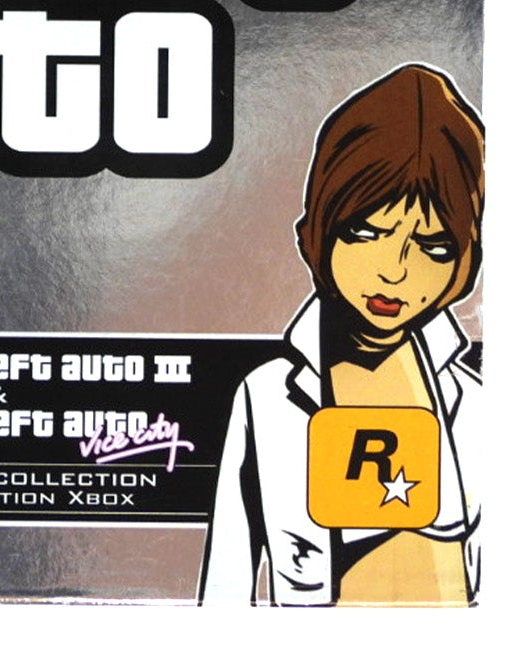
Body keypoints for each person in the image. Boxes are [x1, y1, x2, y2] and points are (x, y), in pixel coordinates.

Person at [201, 63, 483, 605]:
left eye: (432, 246)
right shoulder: (267, 398)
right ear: (322, 227)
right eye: (366, 232)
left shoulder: (474, 405)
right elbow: (225, 586)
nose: (394, 271)